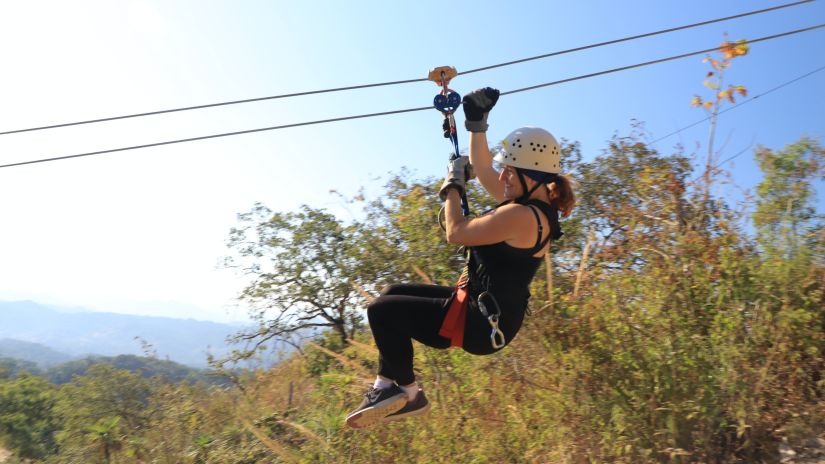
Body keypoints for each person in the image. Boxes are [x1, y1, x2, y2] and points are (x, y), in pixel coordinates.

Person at [345, 87, 576, 429]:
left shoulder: (522, 217)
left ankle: (409, 394)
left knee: (381, 311)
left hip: (481, 325)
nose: (501, 178)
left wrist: (452, 186)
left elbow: (456, 232)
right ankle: (384, 386)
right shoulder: (534, 206)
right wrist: (476, 124)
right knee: (392, 292)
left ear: (532, 176)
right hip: (482, 310)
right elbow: (483, 169)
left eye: (508, 172)